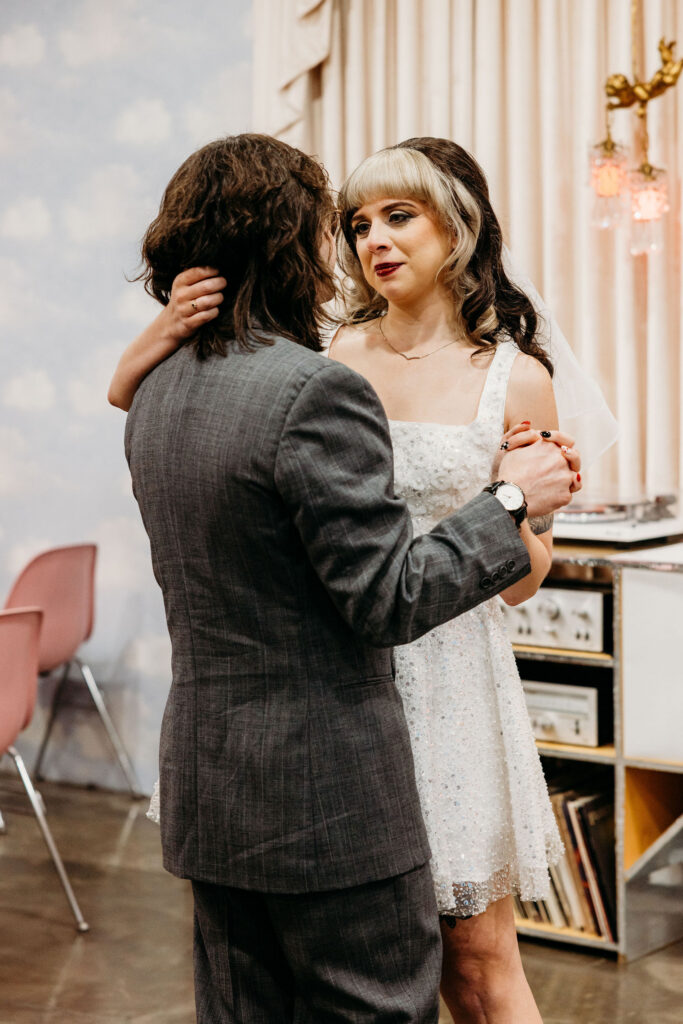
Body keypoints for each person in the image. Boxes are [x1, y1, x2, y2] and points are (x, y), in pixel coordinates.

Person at [114, 133, 580, 1024]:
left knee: (477, 959)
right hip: (340, 687)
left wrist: (523, 506)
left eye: (398, 216)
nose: (373, 241)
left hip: (444, 681)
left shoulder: (514, 379)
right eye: (357, 223)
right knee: (362, 971)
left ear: (456, 228)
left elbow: (523, 581)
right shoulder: (326, 360)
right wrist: (157, 336)